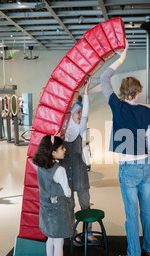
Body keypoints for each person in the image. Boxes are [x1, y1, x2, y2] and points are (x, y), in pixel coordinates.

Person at [100, 40, 150, 256]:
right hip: (144, 165)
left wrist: (121, 57)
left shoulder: (117, 106)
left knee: (131, 214)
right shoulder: (146, 111)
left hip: (128, 168)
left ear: (123, 92)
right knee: (147, 210)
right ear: (137, 92)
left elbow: (104, 79)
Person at [32, 134, 74, 256]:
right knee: (59, 243)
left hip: (45, 207)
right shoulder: (59, 170)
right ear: (52, 152)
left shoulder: (41, 166)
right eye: (61, 148)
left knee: (50, 239)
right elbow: (67, 192)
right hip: (57, 209)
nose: (64, 149)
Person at [59, 78, 97, 245]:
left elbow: (86, 112)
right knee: (69, 205)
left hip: (80, 172)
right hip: (66, 171)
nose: (81, 116)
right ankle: (72, 233)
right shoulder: (63, 130)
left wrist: (86, 93)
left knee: (85, 204)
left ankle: (87, 233)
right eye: (78, 113)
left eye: (81, 113)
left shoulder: (80, 128)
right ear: (72, 113)